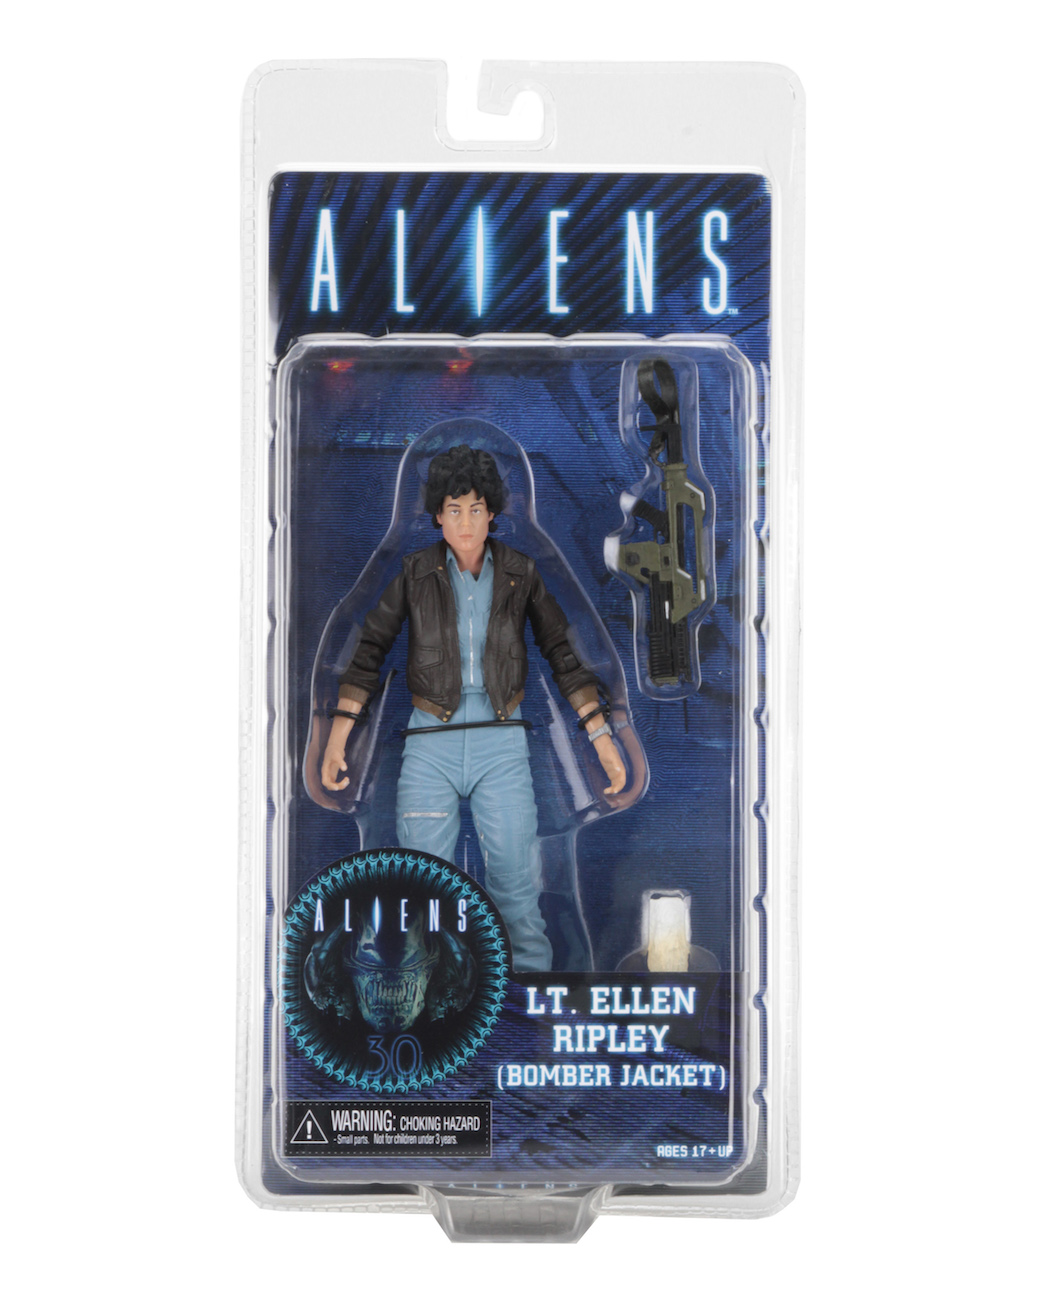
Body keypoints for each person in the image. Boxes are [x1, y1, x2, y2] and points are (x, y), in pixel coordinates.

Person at [321, 445, 625, 970]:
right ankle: (427, 1001)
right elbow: (368, 650)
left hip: (502, 744)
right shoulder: (415, 573)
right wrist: (335, 740)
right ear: (437, 515)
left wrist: (603, 740)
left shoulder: (521, 573)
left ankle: (527, 998)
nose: (465, 523)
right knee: (419, 891)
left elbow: (563, 655)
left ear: (493, 513)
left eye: (477, 509)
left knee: (517, 888)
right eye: (454, 510)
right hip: (428, 744)